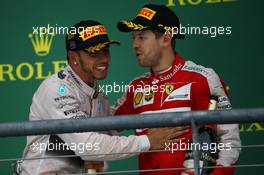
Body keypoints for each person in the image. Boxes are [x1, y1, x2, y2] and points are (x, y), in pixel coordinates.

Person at [18, 20, 182, 175]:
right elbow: (88, 145)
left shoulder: (99, 96)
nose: (103, 59)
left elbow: (103, 144)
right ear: (74, 58)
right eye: (94, 53)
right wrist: (147, 142)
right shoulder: (56, 89)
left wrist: (98, 160)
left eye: (105, 51)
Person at [113, 4, 241, 175]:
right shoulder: (136, 87)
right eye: (133, 37)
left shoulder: (202, 78)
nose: (135, 44)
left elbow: (229, 140)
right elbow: (104, 127)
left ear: (166, 38)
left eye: (142, 37)